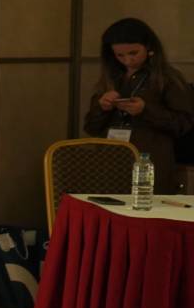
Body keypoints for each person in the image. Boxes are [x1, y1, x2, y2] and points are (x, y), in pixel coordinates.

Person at [82, 17, 193, 194]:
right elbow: (91, 128)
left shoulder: (167, 78)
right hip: (110, 163)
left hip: (150, 162)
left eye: (133, 53)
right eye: (120, 55)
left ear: (149, 47)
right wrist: (102, 107)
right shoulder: (111, 78)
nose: (127, 60)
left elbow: (184, 123)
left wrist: (145, 110)